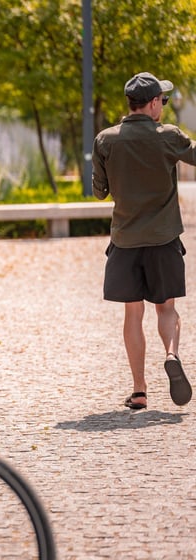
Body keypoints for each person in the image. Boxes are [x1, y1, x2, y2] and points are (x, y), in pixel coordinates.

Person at [92, 71, 196, 410]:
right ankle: (171, 354)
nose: (163, 107)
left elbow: (99, 191)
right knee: (166, 309)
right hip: (164, 238)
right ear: (152, 104)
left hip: (125, 241)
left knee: (132, 314)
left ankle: (139, 390)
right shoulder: (167, 136)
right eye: (162, 102)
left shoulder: (106, 140)